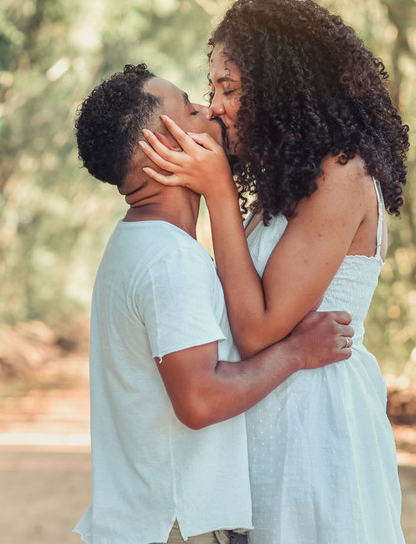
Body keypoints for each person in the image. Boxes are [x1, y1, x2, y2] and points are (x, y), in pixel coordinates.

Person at [139, 0, 411, 544]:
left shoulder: (343, 173)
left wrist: (217, 191)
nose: (214, 106)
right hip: (274, 421)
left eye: (229, 88)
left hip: (316, 429)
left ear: (282, 87)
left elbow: (259, 328)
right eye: (212, 89)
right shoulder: (290, 182)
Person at [72, 63, 355, 544]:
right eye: (190, 106)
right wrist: (296, 353)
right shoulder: (169, 259)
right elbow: (199, 400)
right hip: (176, 527)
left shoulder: (137, 243)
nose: (209, 109)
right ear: (163, 145)